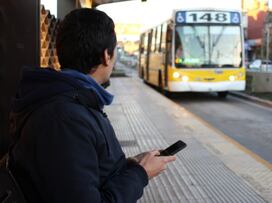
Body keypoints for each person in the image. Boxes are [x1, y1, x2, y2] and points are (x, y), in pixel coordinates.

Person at [8, 8, 175, 203]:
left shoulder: (71, 101)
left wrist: (127, 166)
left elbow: (78, 170)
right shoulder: (64, 118)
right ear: (106, 56)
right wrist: (141, 173)